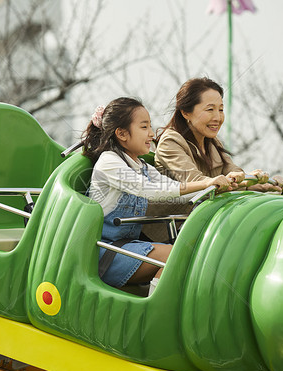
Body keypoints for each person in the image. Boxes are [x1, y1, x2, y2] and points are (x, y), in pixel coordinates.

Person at [82, 97, 230, 296]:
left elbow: (171, 189)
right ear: (122, 134)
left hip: (129, 247)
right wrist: (204, 183)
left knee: (193, 251)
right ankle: (152, 309)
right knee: (176, 255)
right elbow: (150, 190)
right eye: (144, 127)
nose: (152, 134)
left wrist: (215, 188)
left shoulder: (141, 166)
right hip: (103, 252)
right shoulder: (109, 162)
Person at [155, 77, 283, 193]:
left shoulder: (212, 142)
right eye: (210, 109)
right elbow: (198, 183)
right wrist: (242, 182)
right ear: (185, 113)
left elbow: (233, 173)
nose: (217, 117)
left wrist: (262, 183)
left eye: (220, 109)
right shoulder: (171, 142)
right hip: (182, 221)